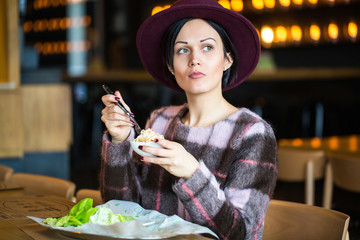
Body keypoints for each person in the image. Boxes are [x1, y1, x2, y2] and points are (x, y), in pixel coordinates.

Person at [100, 0, 278, 239]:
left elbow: (242, 233)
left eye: (207, 48)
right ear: (170, 66)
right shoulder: (159, 121)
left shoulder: (253, 133)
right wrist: (120, 141)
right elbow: (121, 210)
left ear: (227, 59)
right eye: (182, 50)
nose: (194, 59)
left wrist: (191, 172)